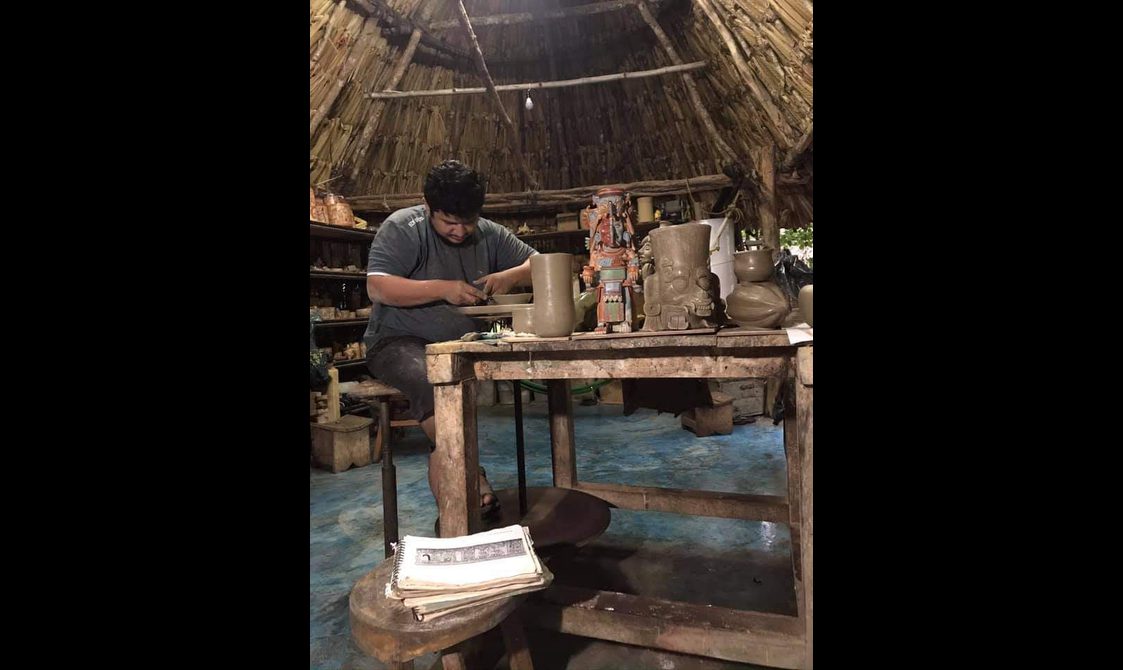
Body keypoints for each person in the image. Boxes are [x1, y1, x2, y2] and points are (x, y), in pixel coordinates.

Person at [363, 160, 537, 518]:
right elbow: (377, 286)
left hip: (459, 346)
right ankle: (472, 477)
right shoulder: (403, 228)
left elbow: (543, 262)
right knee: (434, 381)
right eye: (449, 222)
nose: (460, 231)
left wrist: (511, 276)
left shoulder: (487, 232)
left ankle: (457, 509)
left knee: (447, 398)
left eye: (467, 222)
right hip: (397, 342)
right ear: (429, 208)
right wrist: (443, 290)